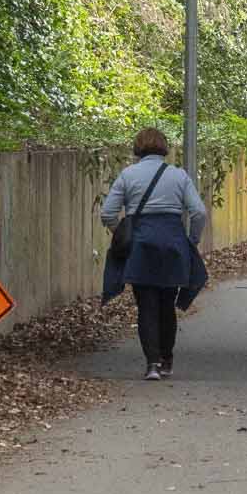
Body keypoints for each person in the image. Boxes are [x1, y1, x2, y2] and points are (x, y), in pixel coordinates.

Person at [100, 126, 208, 380]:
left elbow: (107, 213)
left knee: (146, 305)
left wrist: (123, 233)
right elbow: (199, 212)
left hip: (141, 245)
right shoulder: (179, 176)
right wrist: (191, 240)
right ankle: (167, 360)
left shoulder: (128, 175)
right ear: (163, 147)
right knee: (167, 304)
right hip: (172, 244)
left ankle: (152, 365)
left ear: (138, 148)